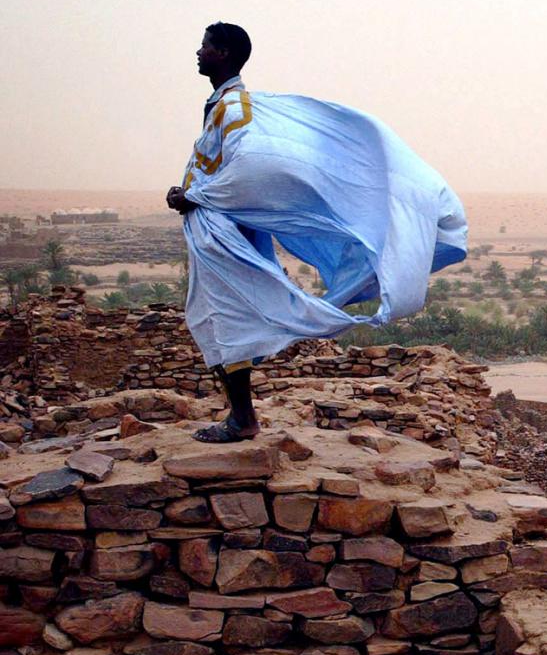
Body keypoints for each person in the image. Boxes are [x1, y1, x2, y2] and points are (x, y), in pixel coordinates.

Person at [167, 22, 467, 443]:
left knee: (225, 320)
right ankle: (240, 417)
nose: (198, 52)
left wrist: (194, 197)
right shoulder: (223, 106)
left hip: (222, 231)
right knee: (216, 319)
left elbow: (247, 169)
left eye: (206, 47)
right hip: (215, 231)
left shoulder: (235, 109)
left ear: (226, 54)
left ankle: (242, 421)